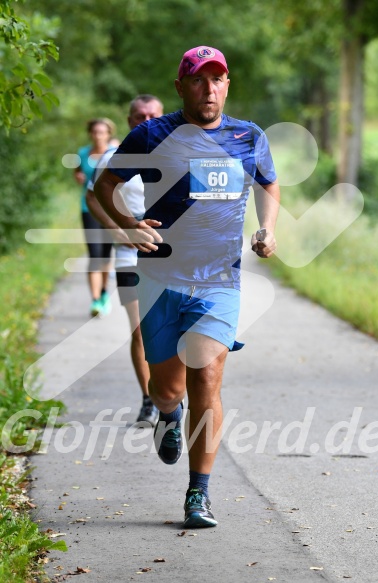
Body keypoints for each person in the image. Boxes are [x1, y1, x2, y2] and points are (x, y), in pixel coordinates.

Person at [94, 46, 280, 528]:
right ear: (181, 87)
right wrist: (128, 225)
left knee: (207, 377)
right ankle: (167, 415)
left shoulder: (248, 136)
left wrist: (268, 227)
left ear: (227, 85)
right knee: (166, 388)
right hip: (159, 277)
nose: (209, 88)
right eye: (199, 80)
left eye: (217, 79)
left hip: (219, 281)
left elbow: (268, 184)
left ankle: (199, 494)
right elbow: (103, 188)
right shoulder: (153, 134)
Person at [86, 95, 164, 426]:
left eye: (153, 115)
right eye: (139, 116)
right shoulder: (114, 158)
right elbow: (93, 197)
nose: (145, 121)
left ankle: (172, 395)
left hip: (171, 256)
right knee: (141, 331)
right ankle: (149, 399)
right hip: (130, 255)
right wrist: (116, 229)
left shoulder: (177, 153)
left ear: (162, 117)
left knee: (174, 330)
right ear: (130, 120)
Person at [74, 118, 117, 317]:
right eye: (95, 132)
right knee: (94, 254)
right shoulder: (82, 153)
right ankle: (95, 300)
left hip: (110, 209)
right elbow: (77, 173)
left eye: (102, 132)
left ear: (108, 133)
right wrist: (78, 178)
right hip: (88, 208)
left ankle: (104, 292)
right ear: (90, 133)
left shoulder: (114, 152)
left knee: (106, 255)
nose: (98, 135)